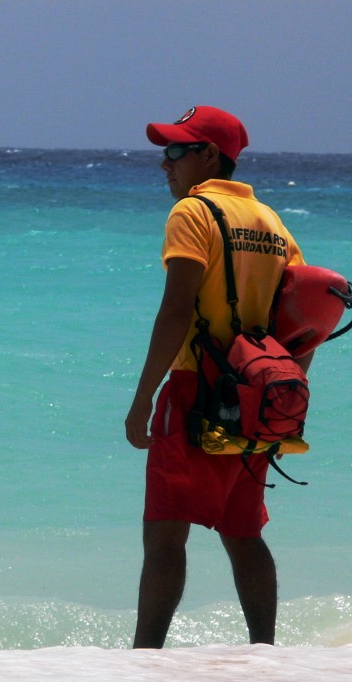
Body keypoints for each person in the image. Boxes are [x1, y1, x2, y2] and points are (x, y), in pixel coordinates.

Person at [124, 106, 312, 648]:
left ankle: (143, 661)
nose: (166, 163)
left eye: (177, 151)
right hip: (256, 395)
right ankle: (265, 654)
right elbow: (305, 327)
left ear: (210, 156)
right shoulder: (274, 225)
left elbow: (177, 308)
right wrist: (282, 402)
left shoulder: (193, 212)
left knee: (164, 536)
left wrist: (142, 399)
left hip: (195, 393)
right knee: (243, 533)